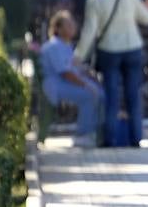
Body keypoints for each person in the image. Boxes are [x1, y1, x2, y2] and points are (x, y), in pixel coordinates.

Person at [75, 0, 148, 147]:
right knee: (133, 95)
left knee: (111, 95)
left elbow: (90, 31)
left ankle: (109, 138)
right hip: (133, 47)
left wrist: (78, 55)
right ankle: (136, 138)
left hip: (109, 50)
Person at [38, 10, 103, 147]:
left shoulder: (65, 45)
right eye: (68, 25)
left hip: (63, 83)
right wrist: (86, 85)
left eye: (72, 24)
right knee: (89, 95)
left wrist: (87, 74)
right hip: (55, 86)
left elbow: (73, 67)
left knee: (99, 93)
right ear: (58, 28)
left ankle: (97, 132)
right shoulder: (55, 46)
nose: (72, 28)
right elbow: (65, 73)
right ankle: (83, 134)